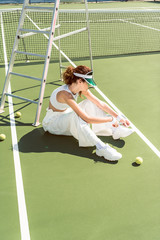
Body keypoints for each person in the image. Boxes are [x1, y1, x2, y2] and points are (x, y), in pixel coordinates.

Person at [42, 65, 134, 161]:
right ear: (80, 81)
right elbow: (87, 119)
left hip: (65, 115)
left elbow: (100, 103)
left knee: (91, 103)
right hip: (53, 124)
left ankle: (114, 130)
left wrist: (119, 117)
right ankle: (101, 148)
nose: (89, 85)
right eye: (88, 82)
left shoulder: (79, 88)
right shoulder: (65, 94)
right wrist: (111, 119)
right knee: (78, 116)